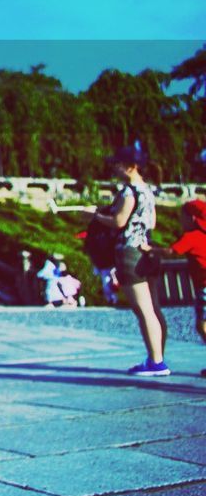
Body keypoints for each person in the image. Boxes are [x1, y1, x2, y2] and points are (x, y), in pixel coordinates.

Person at [91, 145, 169, 377]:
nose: (114, 168)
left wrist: (94, 216)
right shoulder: (147, 191)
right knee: (154, 308)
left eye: (117, 164)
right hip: (147, 249)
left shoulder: (128, 192)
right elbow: (152, 223)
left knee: (143, 310)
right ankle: (157, 357)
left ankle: (156, 362)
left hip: (130, 252)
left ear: (130, 167)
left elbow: (118, 222)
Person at [168, 199, 206, 377]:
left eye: (181, 217)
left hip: (204, 287)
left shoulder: (191, 236)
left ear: (191, 218)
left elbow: (173, 251)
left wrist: (149, 249)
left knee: (202, 325)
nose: (180, 221)